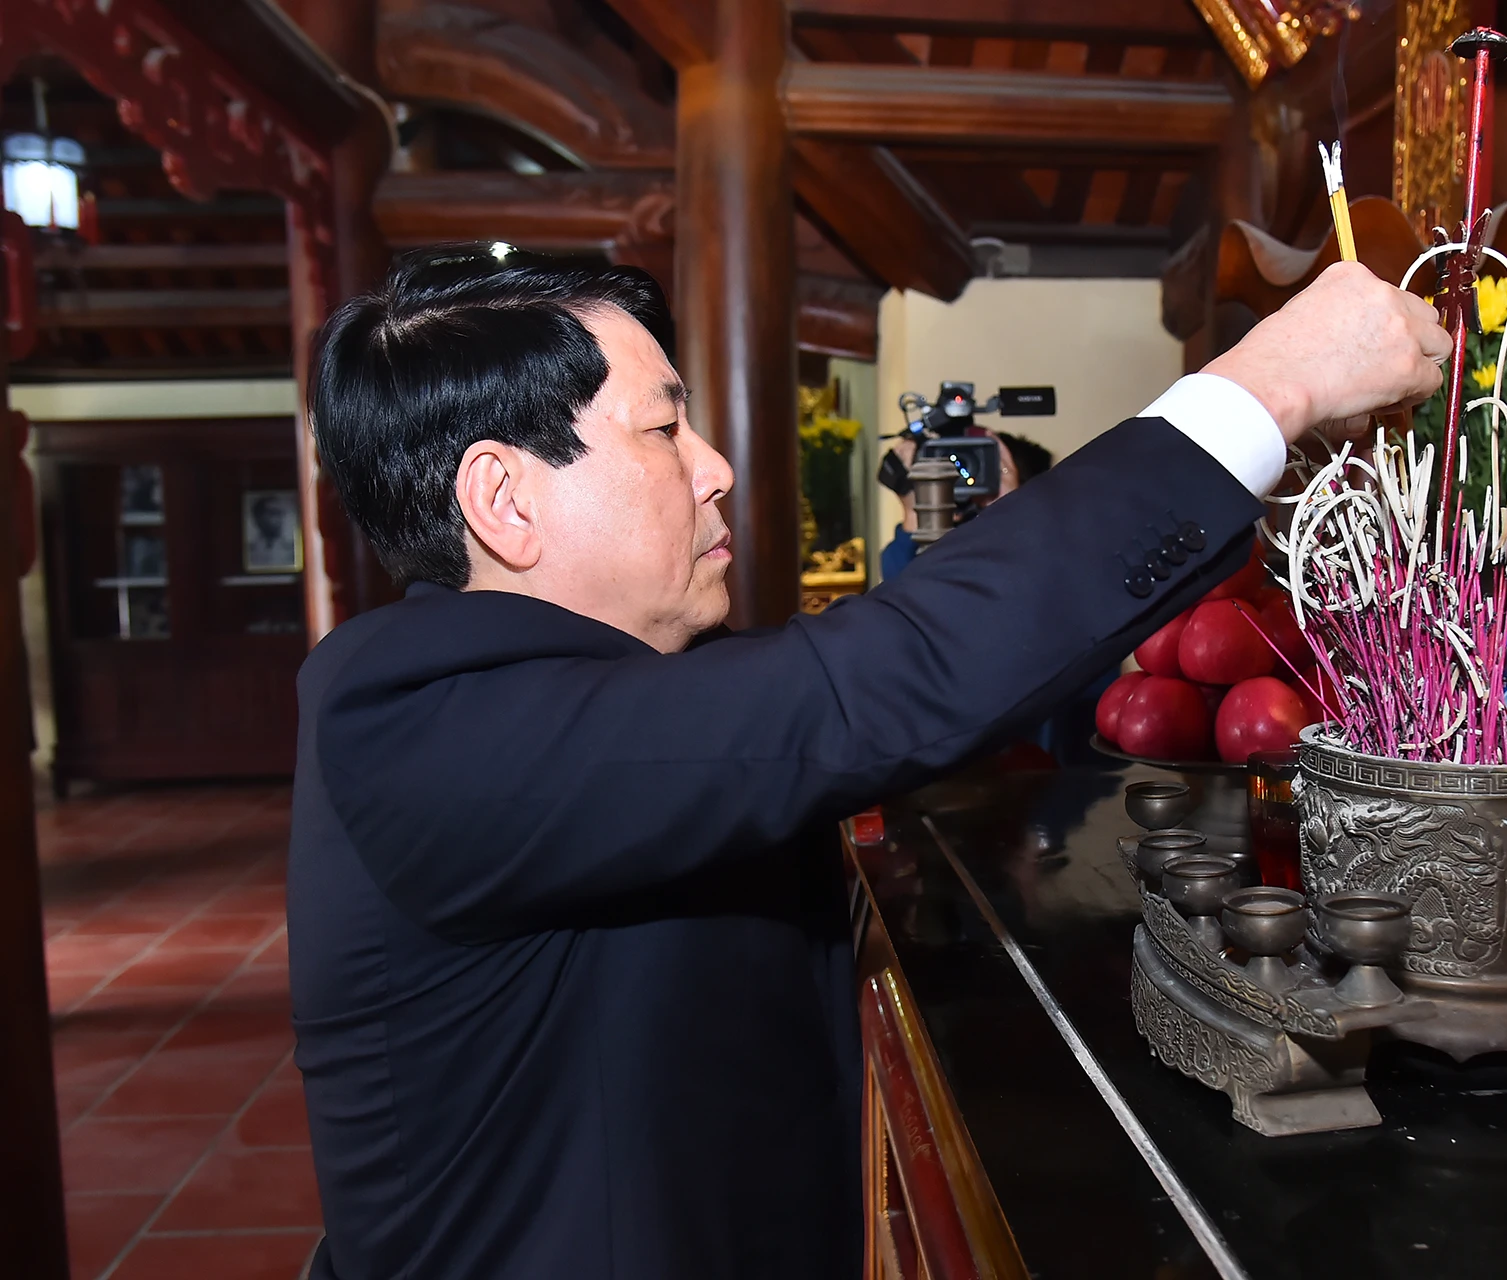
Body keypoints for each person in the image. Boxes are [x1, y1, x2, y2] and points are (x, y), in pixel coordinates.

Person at [289, 245, 1448, 1279]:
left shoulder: (582, 692)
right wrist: (1270, 383)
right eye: (662, 428)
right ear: (504, 497)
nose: (716, 467)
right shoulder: (416, 715)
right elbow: (866, 684)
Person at [878, 429, 1050, 580]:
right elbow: (901, 590)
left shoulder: (1039, 548)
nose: (961, 475)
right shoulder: (942, 542)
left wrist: (1010, 510)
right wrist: (916, 511)